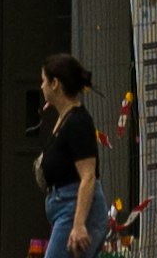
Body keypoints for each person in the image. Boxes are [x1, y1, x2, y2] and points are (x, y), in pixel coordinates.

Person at [34, 57, 102, 258]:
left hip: (74, 209)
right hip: (62, 207)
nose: (42, 86)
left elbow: (88, 176)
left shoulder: (77, 123)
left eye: (44, 81)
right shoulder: (64, 120)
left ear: (55, 84)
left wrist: (79, 225)